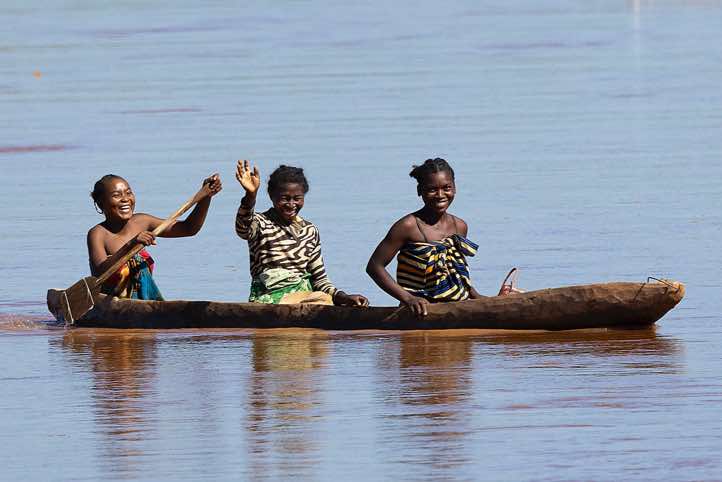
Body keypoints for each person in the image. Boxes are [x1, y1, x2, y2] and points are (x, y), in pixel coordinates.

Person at [235, 160, 368, 306]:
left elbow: (319, 280)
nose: (291, 204)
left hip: (306, 297)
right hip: (268, 298)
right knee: (321, 300)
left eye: (297, 199)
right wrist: (250, 196)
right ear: (272, 196)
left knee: (324, 298)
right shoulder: (261, 223)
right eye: (285, 199)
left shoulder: (310, 231)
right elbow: (243, 230)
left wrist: (343, 297)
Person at [366, 158, 483, 316]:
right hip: (420, 310)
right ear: (419, 191)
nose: (440, 195)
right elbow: (374, 267)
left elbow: (455, 273)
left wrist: (478, 298)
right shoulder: (407, 226)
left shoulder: (460, 226)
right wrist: (408, 298)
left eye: (446, 188)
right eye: (432, 189)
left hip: (456, 307)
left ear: (455, 188)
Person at [87, 173, 222, 299]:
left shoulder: (142, 222)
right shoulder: (98, 233)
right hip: (113, 306)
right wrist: (131, 244)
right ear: (101, 203)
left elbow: (189, 228)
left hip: (145, 302)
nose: (125, 199)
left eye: (128, 193)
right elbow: (100, 273)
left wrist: (205, 197)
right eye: (117, 195)